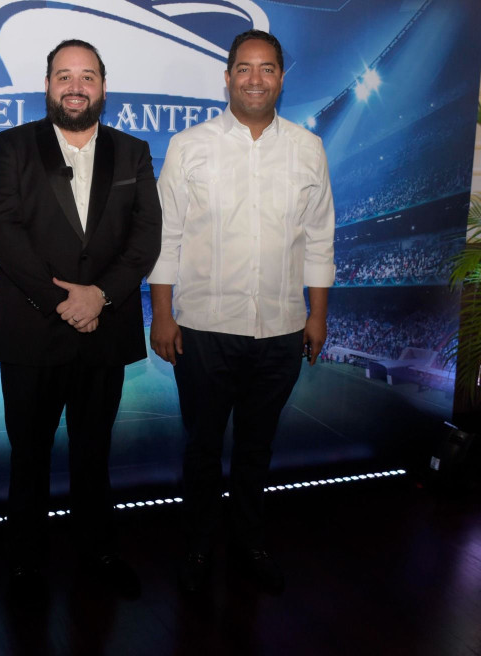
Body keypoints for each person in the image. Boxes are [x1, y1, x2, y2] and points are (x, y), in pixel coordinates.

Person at [148, 29, 335, 594]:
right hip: (203, 330)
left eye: (268, 68)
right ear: (227, 77)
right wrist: (161, 314)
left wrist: (317, 315)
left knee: (258, 448)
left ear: (281, 77)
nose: (256, 79)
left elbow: (320, 238)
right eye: (245, 69)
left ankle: (249, 541)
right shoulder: (190, 146)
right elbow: (166, 236)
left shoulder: (308, 148)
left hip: (280, 329)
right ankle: (199, 545)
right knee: (203, 448)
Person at [0, 39, 162, 598]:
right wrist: (64, 300)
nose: (75, 86)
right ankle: (25, 565)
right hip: (33, 331)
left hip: (103, 334)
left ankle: (99, 553)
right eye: (64, 75)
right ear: (47, 86)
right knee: (28, 457)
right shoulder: (11, 146)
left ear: (104, 87)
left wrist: (100, 296)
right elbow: (2, 231)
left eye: (87, 76)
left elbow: (145, 236)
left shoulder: (133, 152)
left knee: (94, 453)